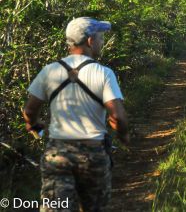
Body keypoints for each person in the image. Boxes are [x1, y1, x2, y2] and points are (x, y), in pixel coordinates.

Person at [23, 17, 129, 212]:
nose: (102, 42)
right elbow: (118, 117)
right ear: (90, 41)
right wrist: (123, 135)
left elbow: (29, 110)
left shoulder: (49, 71)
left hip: (57, 155)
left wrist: (36, 128)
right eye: (100, 38)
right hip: (93, 154)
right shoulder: (104, 73)